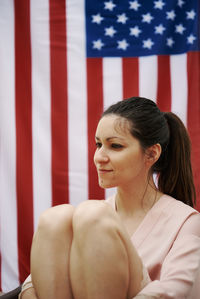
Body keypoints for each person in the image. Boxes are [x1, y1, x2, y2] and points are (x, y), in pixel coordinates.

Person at [19, 97, 200, 299]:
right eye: (98, 144)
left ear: (151, 154)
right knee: (56, 217)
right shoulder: (92, 217)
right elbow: (34, 281)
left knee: (91, 215)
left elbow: (175, 289)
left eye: (115, 146)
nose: (99, 157)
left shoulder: (186, 221)